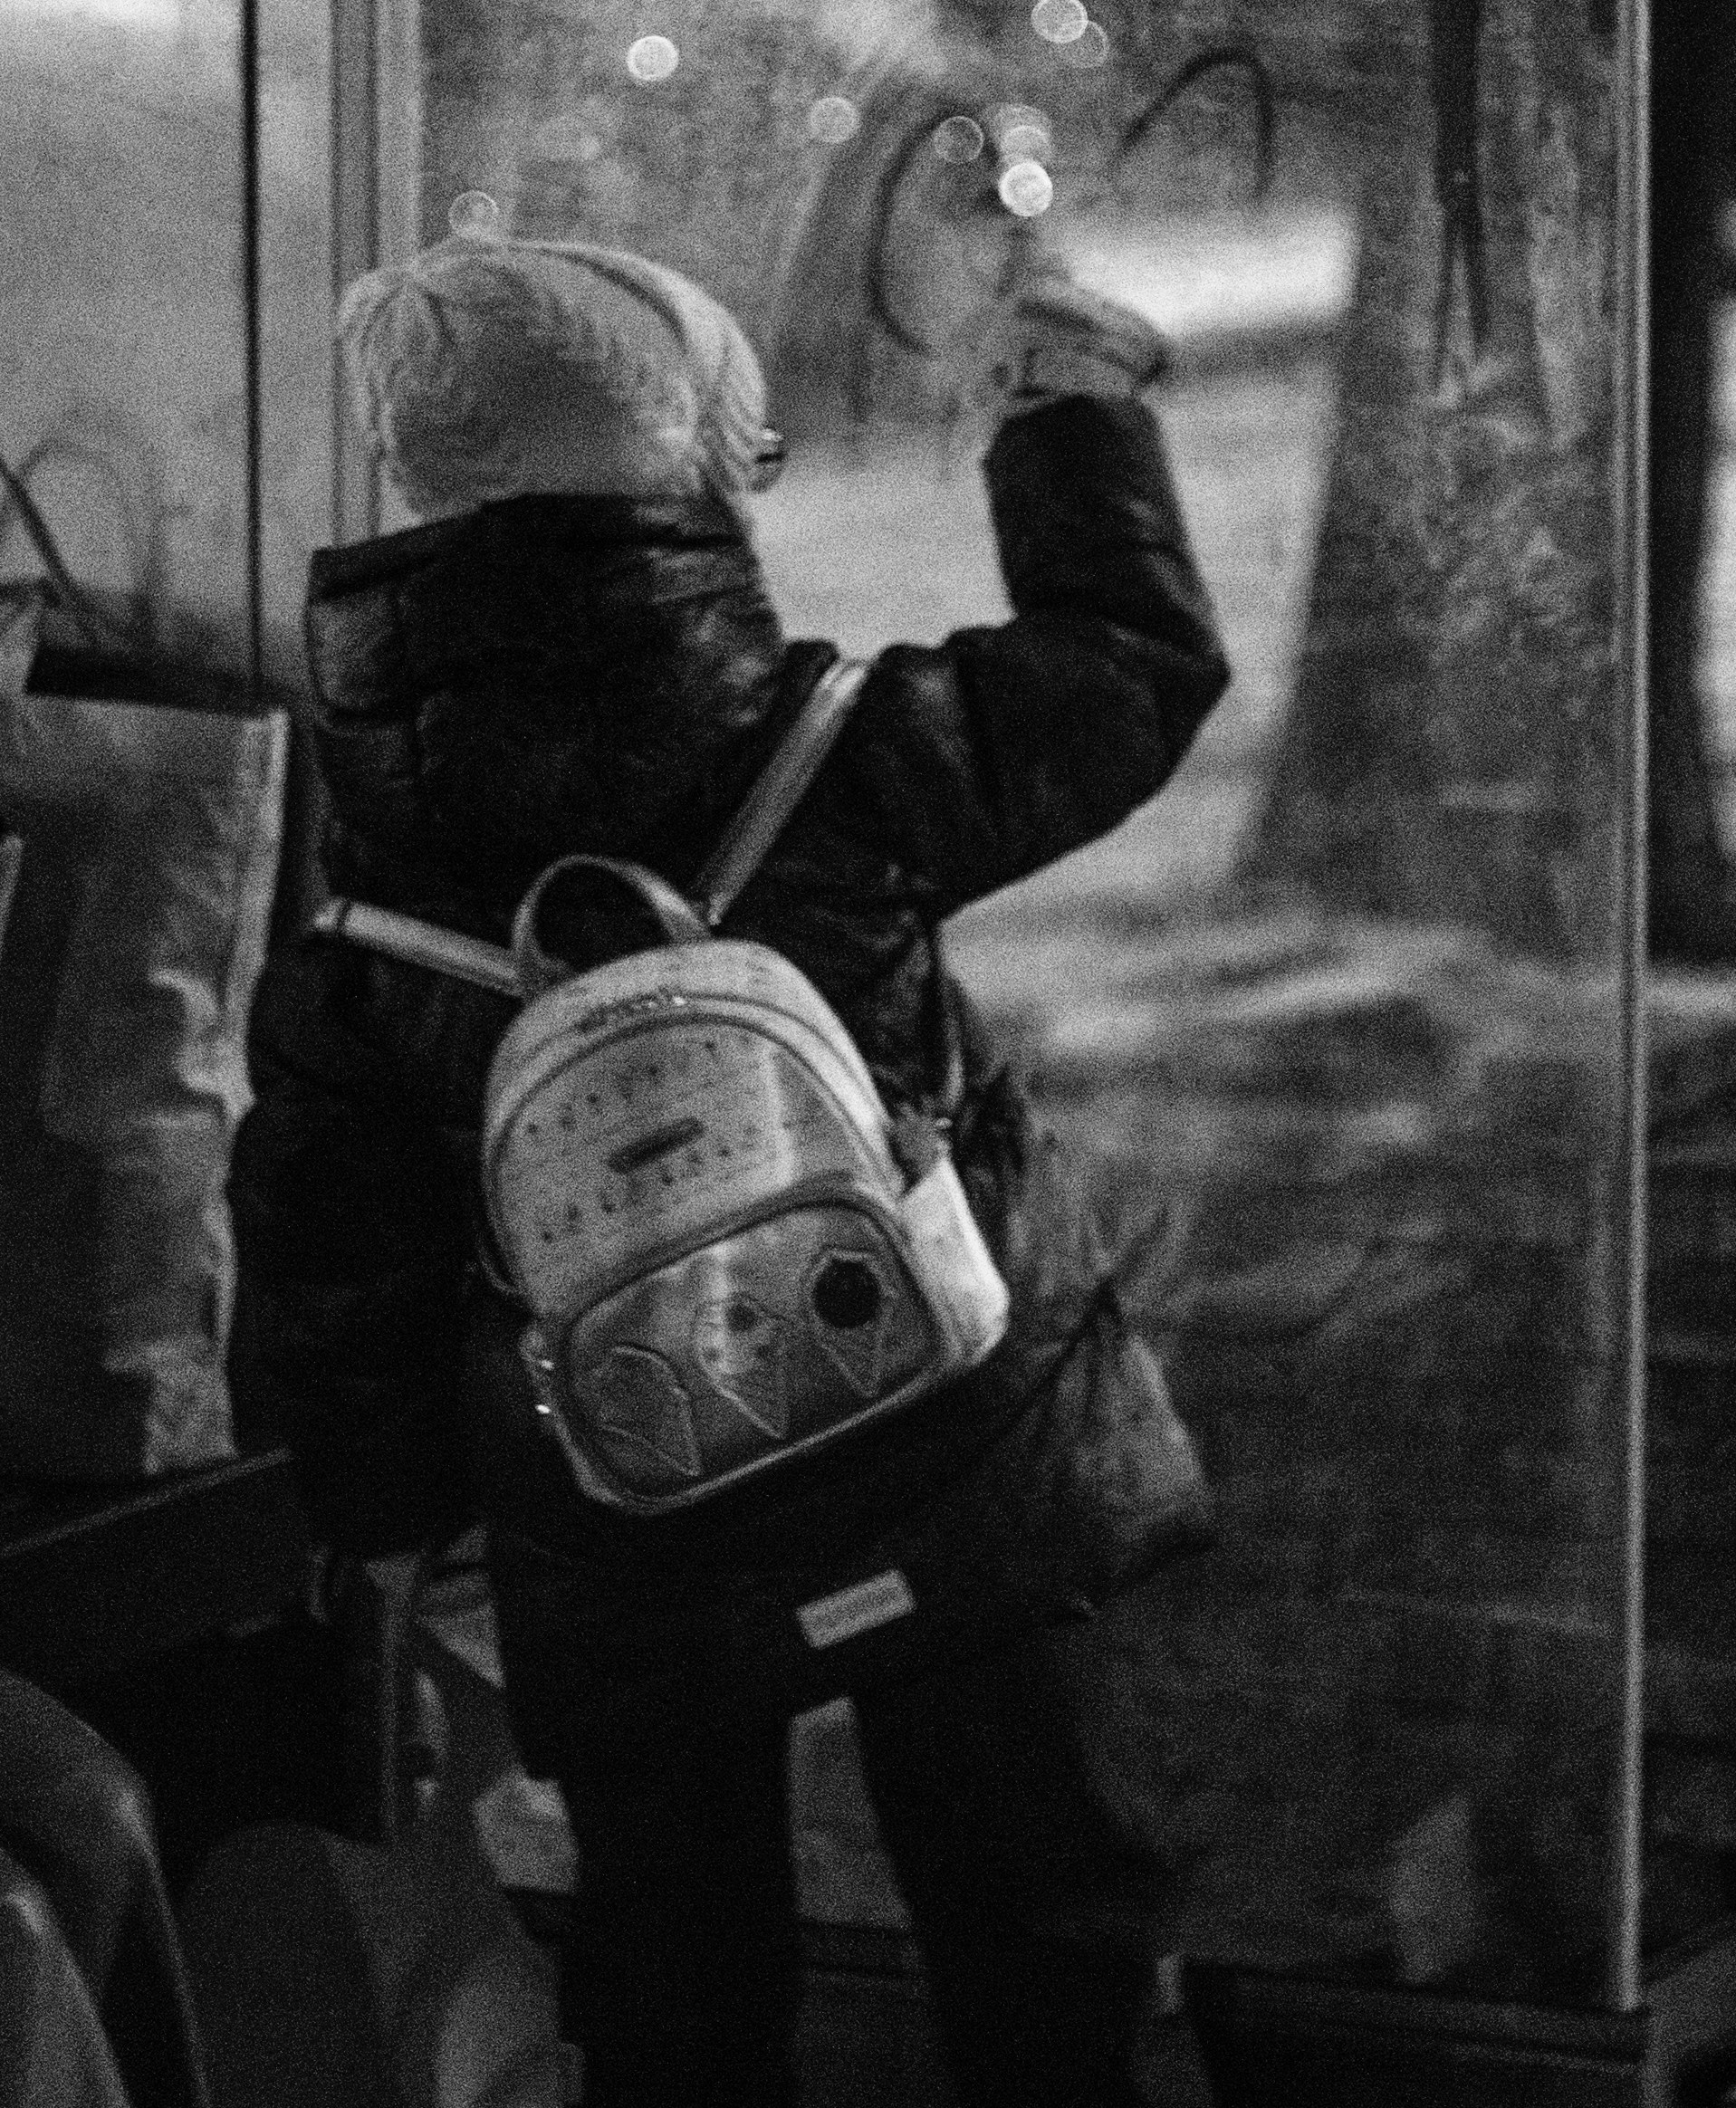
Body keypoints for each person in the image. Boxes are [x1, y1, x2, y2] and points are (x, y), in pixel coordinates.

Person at [227, 230, 1230, 2108]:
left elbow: (335, 1246)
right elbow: (1130, 669)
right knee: (1045, 1913)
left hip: (621, 1498)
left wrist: (390, 1518)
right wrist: (1070, 414)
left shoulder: (369, 903)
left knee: (672, 1967)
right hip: (949, 1440)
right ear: (697, 470)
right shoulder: (846, 764)